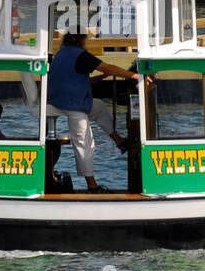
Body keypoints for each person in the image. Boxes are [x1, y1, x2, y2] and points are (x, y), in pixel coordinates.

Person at [47, 32, 143, 193]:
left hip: (58, 98)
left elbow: (76, 80)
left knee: (98, 107)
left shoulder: (62, 53)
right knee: (85, 142)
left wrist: (101, 77)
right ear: (82, 40)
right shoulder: (81, 55)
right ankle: (92, 185)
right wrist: (134, 75)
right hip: (71, 104)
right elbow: (108, 67)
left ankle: (119, 141)